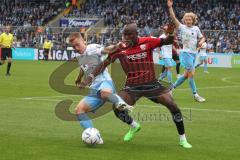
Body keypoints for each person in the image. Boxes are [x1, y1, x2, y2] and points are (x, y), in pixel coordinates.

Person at [79, 23, 192, 148]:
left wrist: (171, 33)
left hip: (151, 84)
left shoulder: (148, 41)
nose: (126, 37)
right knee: (117, 109)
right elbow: (103, 64)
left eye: (129, 35)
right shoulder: (120, 48)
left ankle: (183, 139)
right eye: (124, 35)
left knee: (173, 106)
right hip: (132, 86)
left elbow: (166, 41)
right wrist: (89, 78)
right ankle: (134, 126)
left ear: (136, 34)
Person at [69, 32, 133, 144]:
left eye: (77, 45)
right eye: (73, 47)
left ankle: (123, 104)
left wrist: (117, 46)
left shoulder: (92, 48)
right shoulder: (79, 57)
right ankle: (95, 137)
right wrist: (78, 78)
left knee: (104, 93)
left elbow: (106, 50)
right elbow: (84, 68)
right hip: (94, 89)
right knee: (79, 110)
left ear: (83, 41)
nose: (76, 48)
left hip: (105, 82)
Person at [167, 0, 206, 102]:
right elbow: (173, 18)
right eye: (186, 19)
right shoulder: (182, 27)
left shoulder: (196, 28)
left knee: (185, 75)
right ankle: (195, 95)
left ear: (193, 20)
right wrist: (170, 7)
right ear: (184, 20)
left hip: (193, 54)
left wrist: (201, 42)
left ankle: (170, 90)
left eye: (190, 19)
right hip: (185, 53)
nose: (188, 21)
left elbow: (202, 38)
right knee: (191, 74)